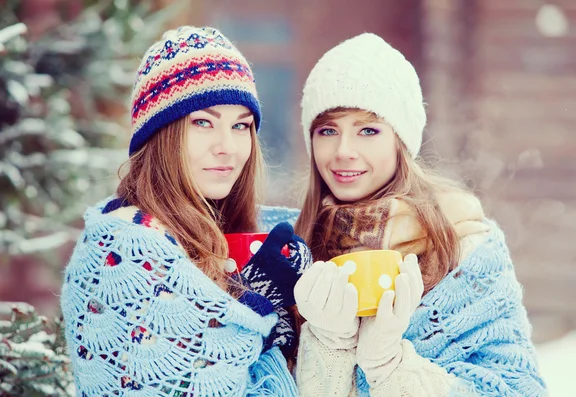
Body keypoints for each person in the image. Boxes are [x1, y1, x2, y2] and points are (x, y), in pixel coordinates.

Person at [292, 33, 547, 396]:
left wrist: (391, 366)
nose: (343, 151)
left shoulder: (466, 246)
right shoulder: (296, 252)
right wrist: (330, 345)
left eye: (368, 130)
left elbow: (520, 390)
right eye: (328, 130)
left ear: (401, 141)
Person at [60, 26, 309, 397]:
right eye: (203, 123)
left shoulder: (211, 236)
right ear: (162, 134)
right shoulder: (127, 249)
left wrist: (300, 314)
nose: (228, 146)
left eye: (240, 125)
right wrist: (251, 305)